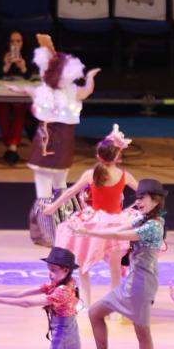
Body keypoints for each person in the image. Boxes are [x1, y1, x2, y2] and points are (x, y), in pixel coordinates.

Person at [70, 178, 167, 349]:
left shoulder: (153, 226)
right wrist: (89, 223)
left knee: (142, 333)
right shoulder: (143, 219)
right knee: (94, 312)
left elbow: (117, 234)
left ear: (156, 200)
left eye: (143, 197)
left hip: (142, 284)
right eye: (138, 197)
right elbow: (118, 225)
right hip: (132, 281)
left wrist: (86, 232)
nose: (138, 201)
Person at [7, 35, 100, 247]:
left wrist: (90, 79)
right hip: (52, 141)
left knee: (49, 187)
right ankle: (58, 231)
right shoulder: (59, 91)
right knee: (56, 185)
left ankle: (52, 233)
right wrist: (90, 79)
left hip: (54, 141)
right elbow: (85, 90)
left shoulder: (58, 91)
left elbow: (84, 90)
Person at [44, 125, 138, 309]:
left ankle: (85, 304)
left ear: (98, 156)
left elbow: (70, 192)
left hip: (92, 223)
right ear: (117, 157)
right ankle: (115, 307)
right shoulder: (124, 176)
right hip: (116, 224)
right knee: (115, 270)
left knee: (83, 266)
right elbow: (144, 190)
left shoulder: (90, 174)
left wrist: (52, 207)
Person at [0, 30, 32, 165]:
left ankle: (12, 147)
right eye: (12, 41)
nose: (15, 44)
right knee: (2, 108)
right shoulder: (1, 54)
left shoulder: (28, 55)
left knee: (20, 110)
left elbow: (30, 76)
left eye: (18, 41)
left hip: (20, 92)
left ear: (23, 42)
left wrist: (23, 67)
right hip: (3, 91)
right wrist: (6, 65)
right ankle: (10, 145)